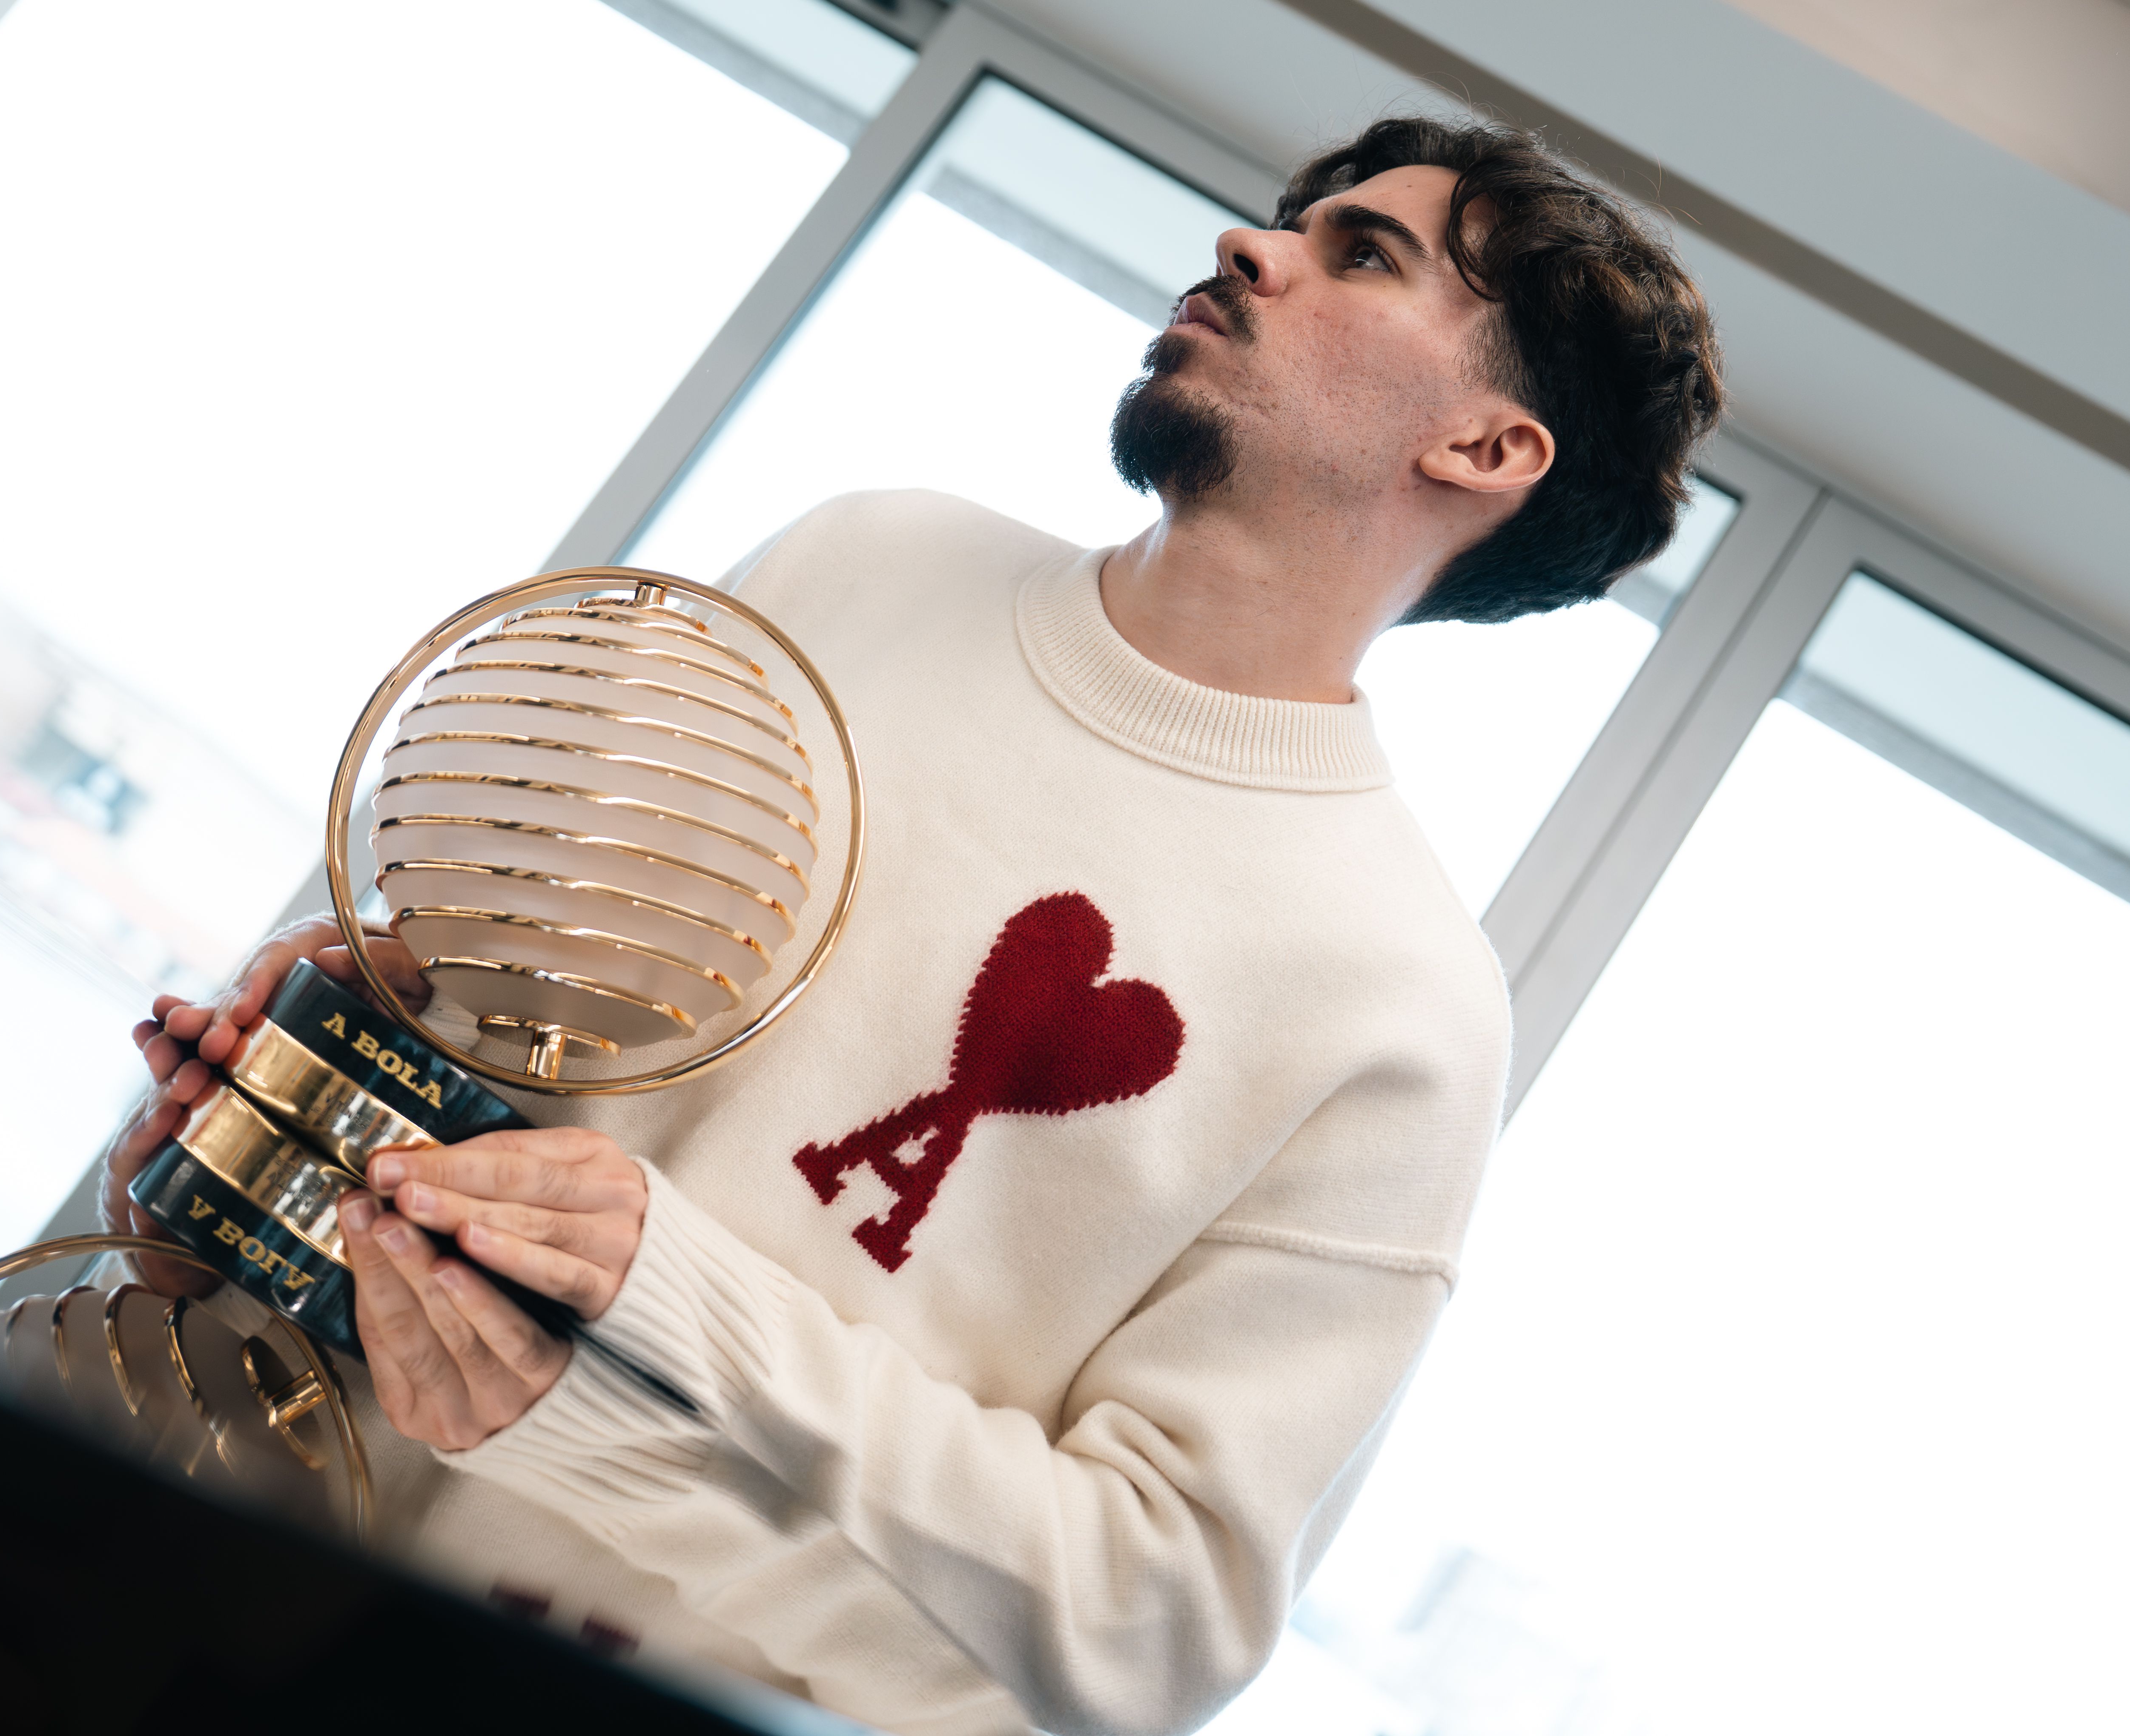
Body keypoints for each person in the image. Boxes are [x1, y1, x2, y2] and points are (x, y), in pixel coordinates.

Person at [102, 117, 1722, 1735]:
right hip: (136, 1534)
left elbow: (1144, 1628)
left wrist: (626, 1346)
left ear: (1490, 452)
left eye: (1362, 256)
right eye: (1290, 221)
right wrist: (249, 1124)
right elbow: (452, 997)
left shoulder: (1403, 1011)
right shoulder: (860, 556)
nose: (1252, 248)